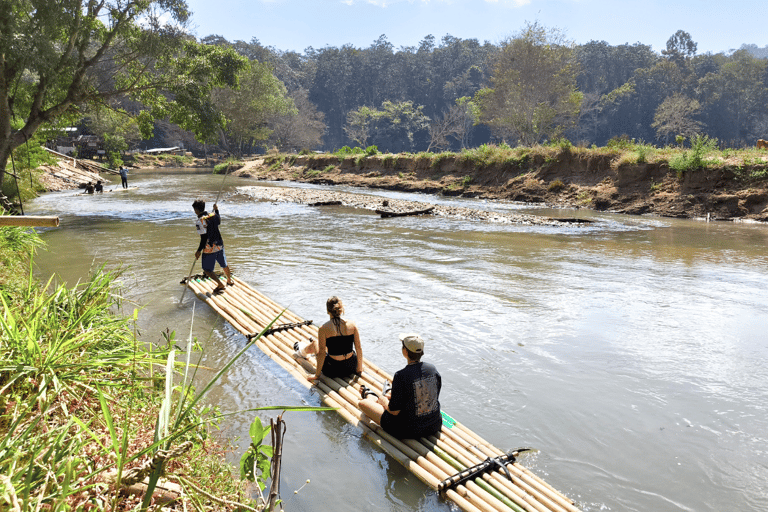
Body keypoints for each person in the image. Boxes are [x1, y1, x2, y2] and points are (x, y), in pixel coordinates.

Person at [358, 333, 442, 439]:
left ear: (405, 351)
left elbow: (394, 411)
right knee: (395, 397)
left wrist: (384, 401)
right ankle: (383, 396)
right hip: (434, 425)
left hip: (407, 430)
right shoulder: (432, 369)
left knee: (363, 403)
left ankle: (370, 396)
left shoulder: (401, 375)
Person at [296, 296, 363, 381]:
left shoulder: (323, 328)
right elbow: (358, 348)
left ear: (328, 311)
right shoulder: (352, 325)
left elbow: (322, 353)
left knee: (315, 343)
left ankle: (301, 351)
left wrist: (316, 375)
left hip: (332, 370)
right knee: (337, 346)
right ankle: (302, 350)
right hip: (350, 368)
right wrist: (359, 369)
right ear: (341, 309)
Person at [192, 198, 234, 294]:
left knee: (207, 269)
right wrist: (216, 210)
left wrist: (198, 250)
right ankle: (229, 280)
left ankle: (220, 284)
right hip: (219, 244)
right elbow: (219, 221)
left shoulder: (200, 221)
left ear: (196, 210)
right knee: (224, 263)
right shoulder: (213, 215)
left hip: (209, 248)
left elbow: (204, 238)